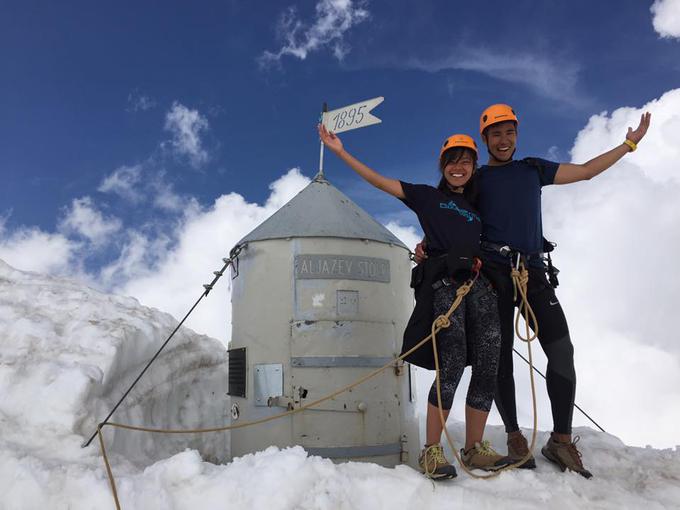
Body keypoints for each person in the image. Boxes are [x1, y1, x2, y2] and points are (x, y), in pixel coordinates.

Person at [415, 104, 651, 478]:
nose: (503, 140)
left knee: (561, 351)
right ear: (485, 139)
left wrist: (628, 145)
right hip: (492, 276)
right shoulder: (477, 181)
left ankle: (560, 440)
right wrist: (427, 243)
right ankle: (513, 437)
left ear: (517, 134)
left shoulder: (532, 169)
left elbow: (587, 172)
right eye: (495, 133)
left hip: (533, 272)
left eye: (509, 132)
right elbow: (452, 212)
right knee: (500, 357)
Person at [318, 124, 511, 480]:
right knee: (450, 365)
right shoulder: (426, 196)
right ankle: (432, 450)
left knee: (489, 362)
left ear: (473, 167)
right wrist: (341, 152)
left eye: (466, 161)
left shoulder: (476, 206)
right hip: (446, 285)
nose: (459, 167)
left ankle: (474, 448)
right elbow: (379, 182)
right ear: (442, 165)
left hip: (479, 284)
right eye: (453, 161)